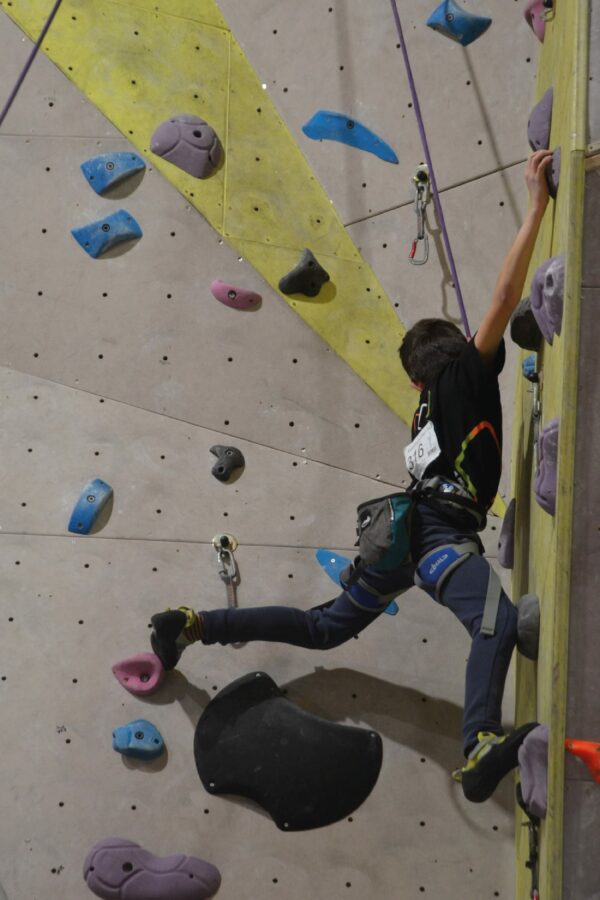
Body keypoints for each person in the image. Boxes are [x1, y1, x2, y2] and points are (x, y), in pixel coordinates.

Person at [150, 149, 553, 803]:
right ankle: (479, 742)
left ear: (412, 378)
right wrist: (535, 204)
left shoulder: (425, 411)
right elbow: (505, 297)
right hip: (436, 534)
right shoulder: (457, 378)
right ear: (443, 361)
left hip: (401, 537)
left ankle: (194, 623)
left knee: (325, 627)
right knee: (495, 622)